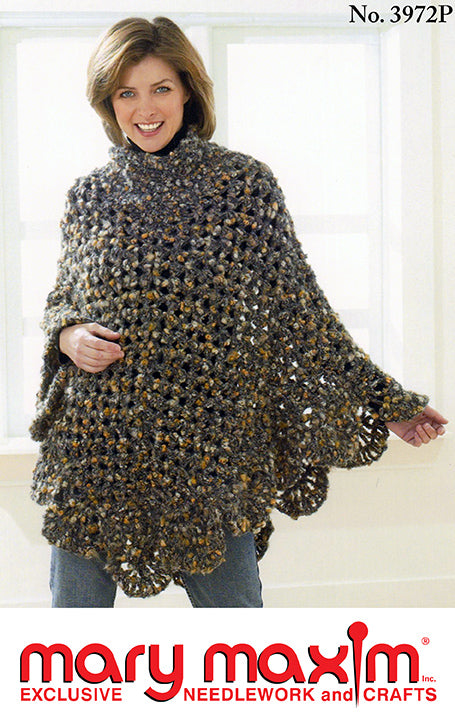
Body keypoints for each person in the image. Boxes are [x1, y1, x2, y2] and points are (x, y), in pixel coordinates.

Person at [30, 16, 448, 608]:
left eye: (160, 88)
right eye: (126, 92)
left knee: (237, 633)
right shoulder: (88, 195)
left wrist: (385, 402)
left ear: (188, 90)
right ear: (108, 102)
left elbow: (301, 315)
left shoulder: (242, 186)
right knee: (73, 643)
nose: (144, 109)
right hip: (97, 450)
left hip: (212, 453)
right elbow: (62, 301)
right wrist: (68, 334)